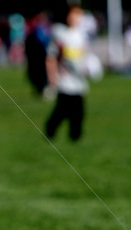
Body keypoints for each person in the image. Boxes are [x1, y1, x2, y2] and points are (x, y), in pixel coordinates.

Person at [45, 5, 90, 141]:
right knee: (62, 110)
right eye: (74, 14)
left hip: (79, 81)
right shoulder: (61, 35)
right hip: (65, 80)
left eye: (79, 15)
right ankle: (50, 130)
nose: (77, 18)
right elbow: (51, 57)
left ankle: (75, 136)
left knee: (79, 112)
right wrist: (52, 76)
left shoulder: (82, 35)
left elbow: (85, 56)